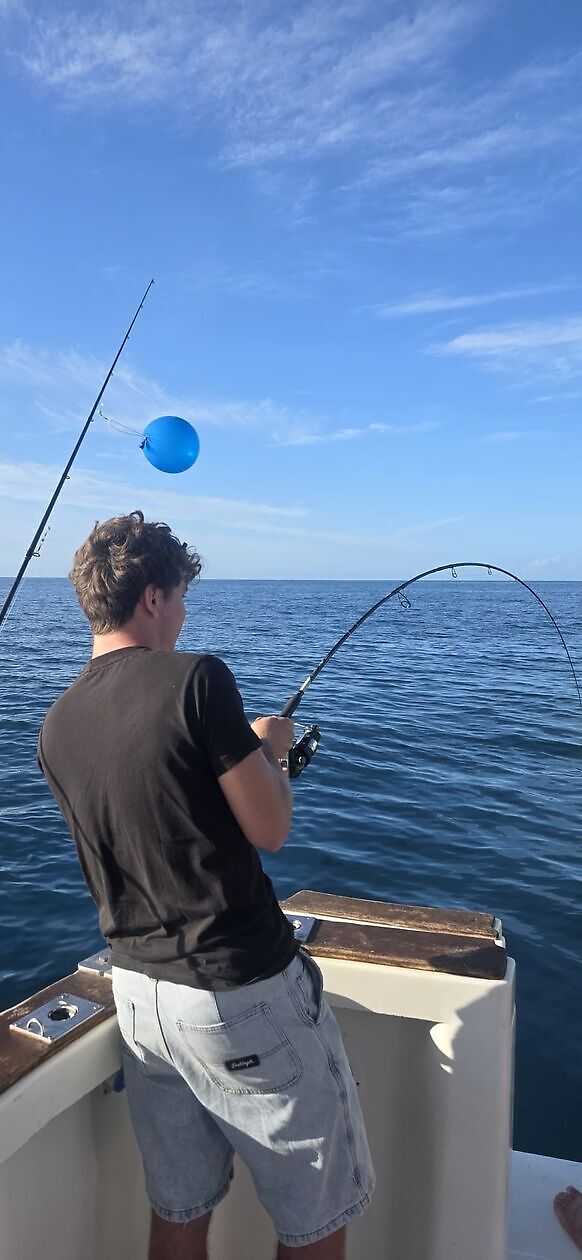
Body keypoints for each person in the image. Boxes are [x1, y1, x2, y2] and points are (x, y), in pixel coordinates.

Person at [38, 511, 375, 1260]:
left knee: (179, 1212)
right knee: (316, 1222)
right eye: (182, 596)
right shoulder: (197, 679)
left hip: (141, 1001)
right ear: (152, 596)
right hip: (239, 991)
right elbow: (270, 828)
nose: (184, 614)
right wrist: (271, 752)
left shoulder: (56, 725)